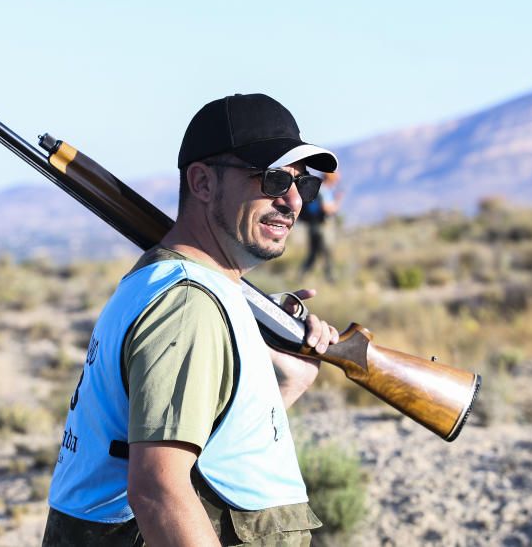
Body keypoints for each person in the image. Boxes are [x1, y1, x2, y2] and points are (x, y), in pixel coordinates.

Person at [43, 93, 340, 546]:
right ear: (202, 182)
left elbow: (208, 450)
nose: (294, 201)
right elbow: (160, 490)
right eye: (275, 179)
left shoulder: (183, 284)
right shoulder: (188, 303)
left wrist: (284, 385)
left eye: (305, 184)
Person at [298, 171, 342, 282]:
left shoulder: (319, 189)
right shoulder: (324, 191)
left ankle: (301, 276)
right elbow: (327, 209)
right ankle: (330, 278)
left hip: (313, 226)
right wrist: (337, 202)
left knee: (313, 253)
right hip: (321, 227)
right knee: (327, 252)